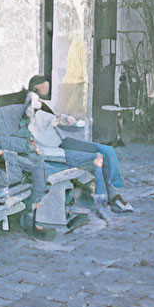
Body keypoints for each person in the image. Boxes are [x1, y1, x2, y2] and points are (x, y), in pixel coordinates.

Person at [22, 74, 131, 214]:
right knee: (101, 153)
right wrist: (60, 119)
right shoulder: (32, 102)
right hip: (54, 147)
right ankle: (111, 196)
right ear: (37, 87)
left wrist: (62, 118)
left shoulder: (40, 102)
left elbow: (49, 118)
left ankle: (113, 193)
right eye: (45, 84)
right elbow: (38, 116)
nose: (47, 86)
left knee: (106, 150)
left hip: (59, 141)